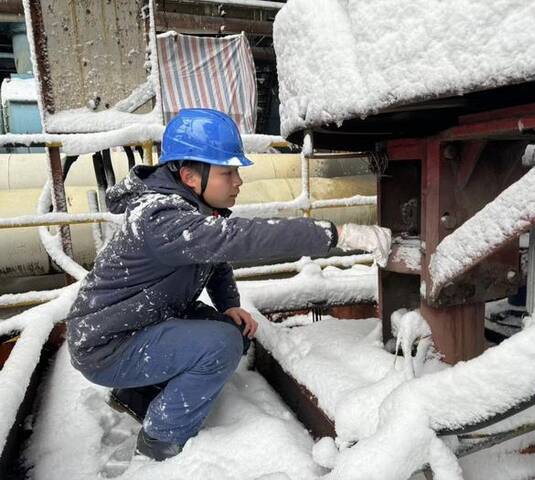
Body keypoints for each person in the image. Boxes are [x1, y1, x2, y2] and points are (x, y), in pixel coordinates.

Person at [66, 108, 391, 461]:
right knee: (219, 344)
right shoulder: (162, 219)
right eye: (228, 172)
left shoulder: (188, 209)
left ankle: (136, 396)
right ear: (191, 176)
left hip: (137, 323)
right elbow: (237, 239)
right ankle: (160, 441)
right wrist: (336, 233)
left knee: (230, 329)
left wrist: (228, 305)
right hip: (106, 347)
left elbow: (214, 259)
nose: (238, 181)